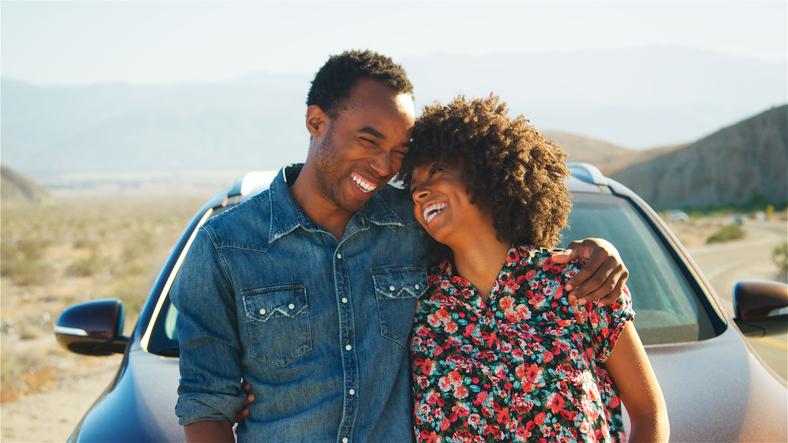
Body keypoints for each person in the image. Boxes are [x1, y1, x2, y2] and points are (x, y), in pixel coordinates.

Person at [171, 50, 630, 442]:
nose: (383, 166)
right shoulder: (224, 247)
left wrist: (598, 247)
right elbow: (207, 402)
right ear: (315, 121)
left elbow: (498, 247)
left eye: (399, 153)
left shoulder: (415, 226)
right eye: (369, 140)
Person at [402, 95, 669, 442]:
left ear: (484, 172)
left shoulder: (578, 280)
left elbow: (649, 412)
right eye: (413, 186)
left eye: (436, 172)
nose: (420, 192)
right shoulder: (416, 305)